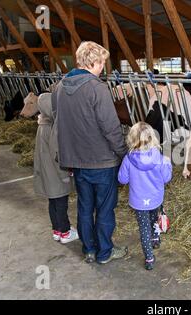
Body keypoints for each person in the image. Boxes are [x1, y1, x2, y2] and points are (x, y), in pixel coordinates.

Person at [51, 41, 128, 264]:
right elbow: (111, 127)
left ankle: (89, 250)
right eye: (102, 62)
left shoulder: (60, 87)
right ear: (93, 61)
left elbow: (59, 120)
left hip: (76, 161)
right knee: (104, 208)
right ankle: (105, 252)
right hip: (102, 161)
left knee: (85, 206)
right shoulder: (97, 88)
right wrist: (123, 153)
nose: (103, 67)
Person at [118, 122, 172, 270]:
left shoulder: (128, 159)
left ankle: (149, 258)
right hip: (155, 199)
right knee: (154, 218)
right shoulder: (159, 158)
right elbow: (166, 178)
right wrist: (168, 165)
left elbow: (122, 179)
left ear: (131, 139)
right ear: (152, 137)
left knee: (143, 228)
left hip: (139, 201)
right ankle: (156, 237)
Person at [29, 93, 79, 244]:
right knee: (61, 202)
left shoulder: (42, 125)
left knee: (53, 202)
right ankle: (65, 232)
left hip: (45, 171)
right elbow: (57, 153)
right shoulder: (51, 127)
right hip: (55, 172)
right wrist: (66, 171)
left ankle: (56, 230)